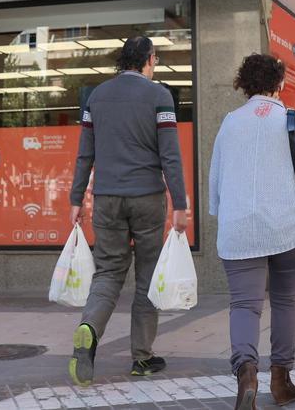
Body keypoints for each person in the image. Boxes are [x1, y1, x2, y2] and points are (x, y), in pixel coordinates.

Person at [68, 36, 188, 387]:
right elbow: (170, 156)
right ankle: (142, 358)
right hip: (147, 198)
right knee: (147, 276)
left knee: (107, 272)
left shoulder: (96, 97)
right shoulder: (159, 96)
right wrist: (180, 204)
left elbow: (85, 154)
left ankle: (89, 329)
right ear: (149, 59)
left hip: (106, 198)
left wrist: (76, 199)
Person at [209, 53, 295, 410]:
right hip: (287, 228)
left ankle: (246, 373)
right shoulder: (291, 120)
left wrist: (222, 214)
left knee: (244, 304)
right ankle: (281, 380)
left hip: (239, 228)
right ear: (279, 84)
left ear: (244, 85)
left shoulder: (230, 122)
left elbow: (215, 180)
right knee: (285, 301)